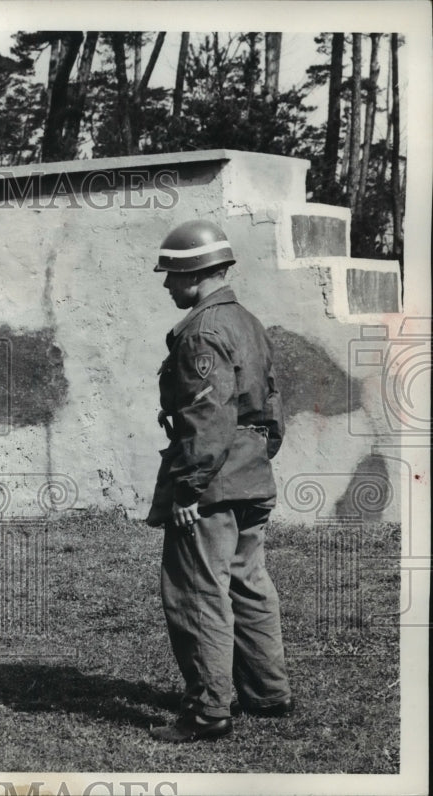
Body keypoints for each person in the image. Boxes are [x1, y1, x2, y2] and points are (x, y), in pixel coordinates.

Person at [146, 220, 293, 743]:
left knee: (197, 594)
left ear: (194, 272)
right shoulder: (248, 322)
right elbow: (271, 403)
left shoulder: (202, 331)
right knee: (249, 584)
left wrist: (189, 488)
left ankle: (209, 711)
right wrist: (258, 455)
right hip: (250, 474)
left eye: (170, 274)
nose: (166, 285)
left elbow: (206, 417)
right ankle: (268, 693)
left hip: (212, 481)